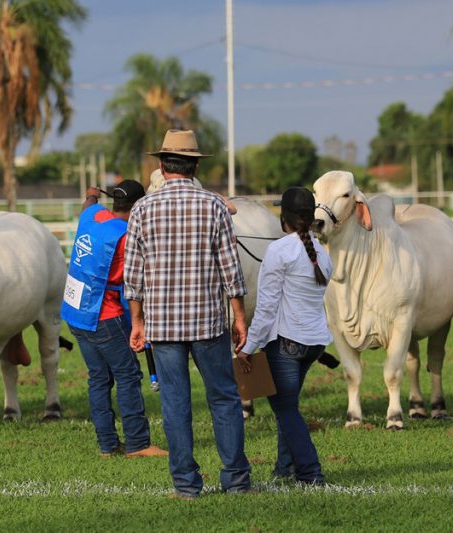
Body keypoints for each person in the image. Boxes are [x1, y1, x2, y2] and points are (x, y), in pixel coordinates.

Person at [124, 129, 251, 499]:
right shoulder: (214, 206)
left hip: (162, 325)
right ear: (195, 166)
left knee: (175, 404)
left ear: (162, 167)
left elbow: (134, 275)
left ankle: (186, 484)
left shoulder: (142, 209)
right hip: (208, 321)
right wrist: (239, 317)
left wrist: (136, 321)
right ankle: (237, 480)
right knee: (224, 399)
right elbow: (231, 270)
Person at [61, 179, 167, 459]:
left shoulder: (92, 214)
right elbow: (135, 283)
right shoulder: (127, 235)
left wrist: (90, 193)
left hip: (75, 313)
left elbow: (88, 204)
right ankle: (138, 444)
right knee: (128, 376)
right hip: (104, 315)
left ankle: (107, 445)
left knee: (98, 379)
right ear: (137, 206)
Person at [237, 186, 332, 486]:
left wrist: (248, 348)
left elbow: (265, 310)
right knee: (288, 405)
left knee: (286, 409)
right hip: (314, 343)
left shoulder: (279, 250)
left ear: (285, 218)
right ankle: (284, 466)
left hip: (288, 343)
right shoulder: (320, 254)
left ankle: (309, 471)